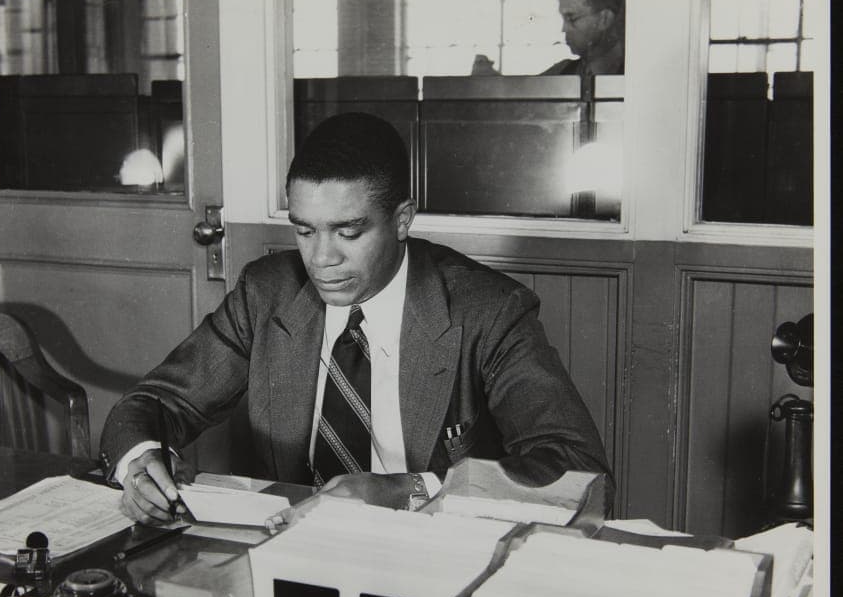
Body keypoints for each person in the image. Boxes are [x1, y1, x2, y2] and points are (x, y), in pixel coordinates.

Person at [100, 112, 612, 525]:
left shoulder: (487, 311)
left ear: (403, 219)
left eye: (348, 233)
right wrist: (140, 462)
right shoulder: (268, 292)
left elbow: (578, 468)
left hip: (432, 558)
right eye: (304, 231)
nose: (321, 258)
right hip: (291, 550)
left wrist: (404, 489)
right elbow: (154, 403)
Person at [543, 0, 625, 76]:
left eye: (572, 19)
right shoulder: (558, 75)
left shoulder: (633, 74)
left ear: (604, 19)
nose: (564, 29)